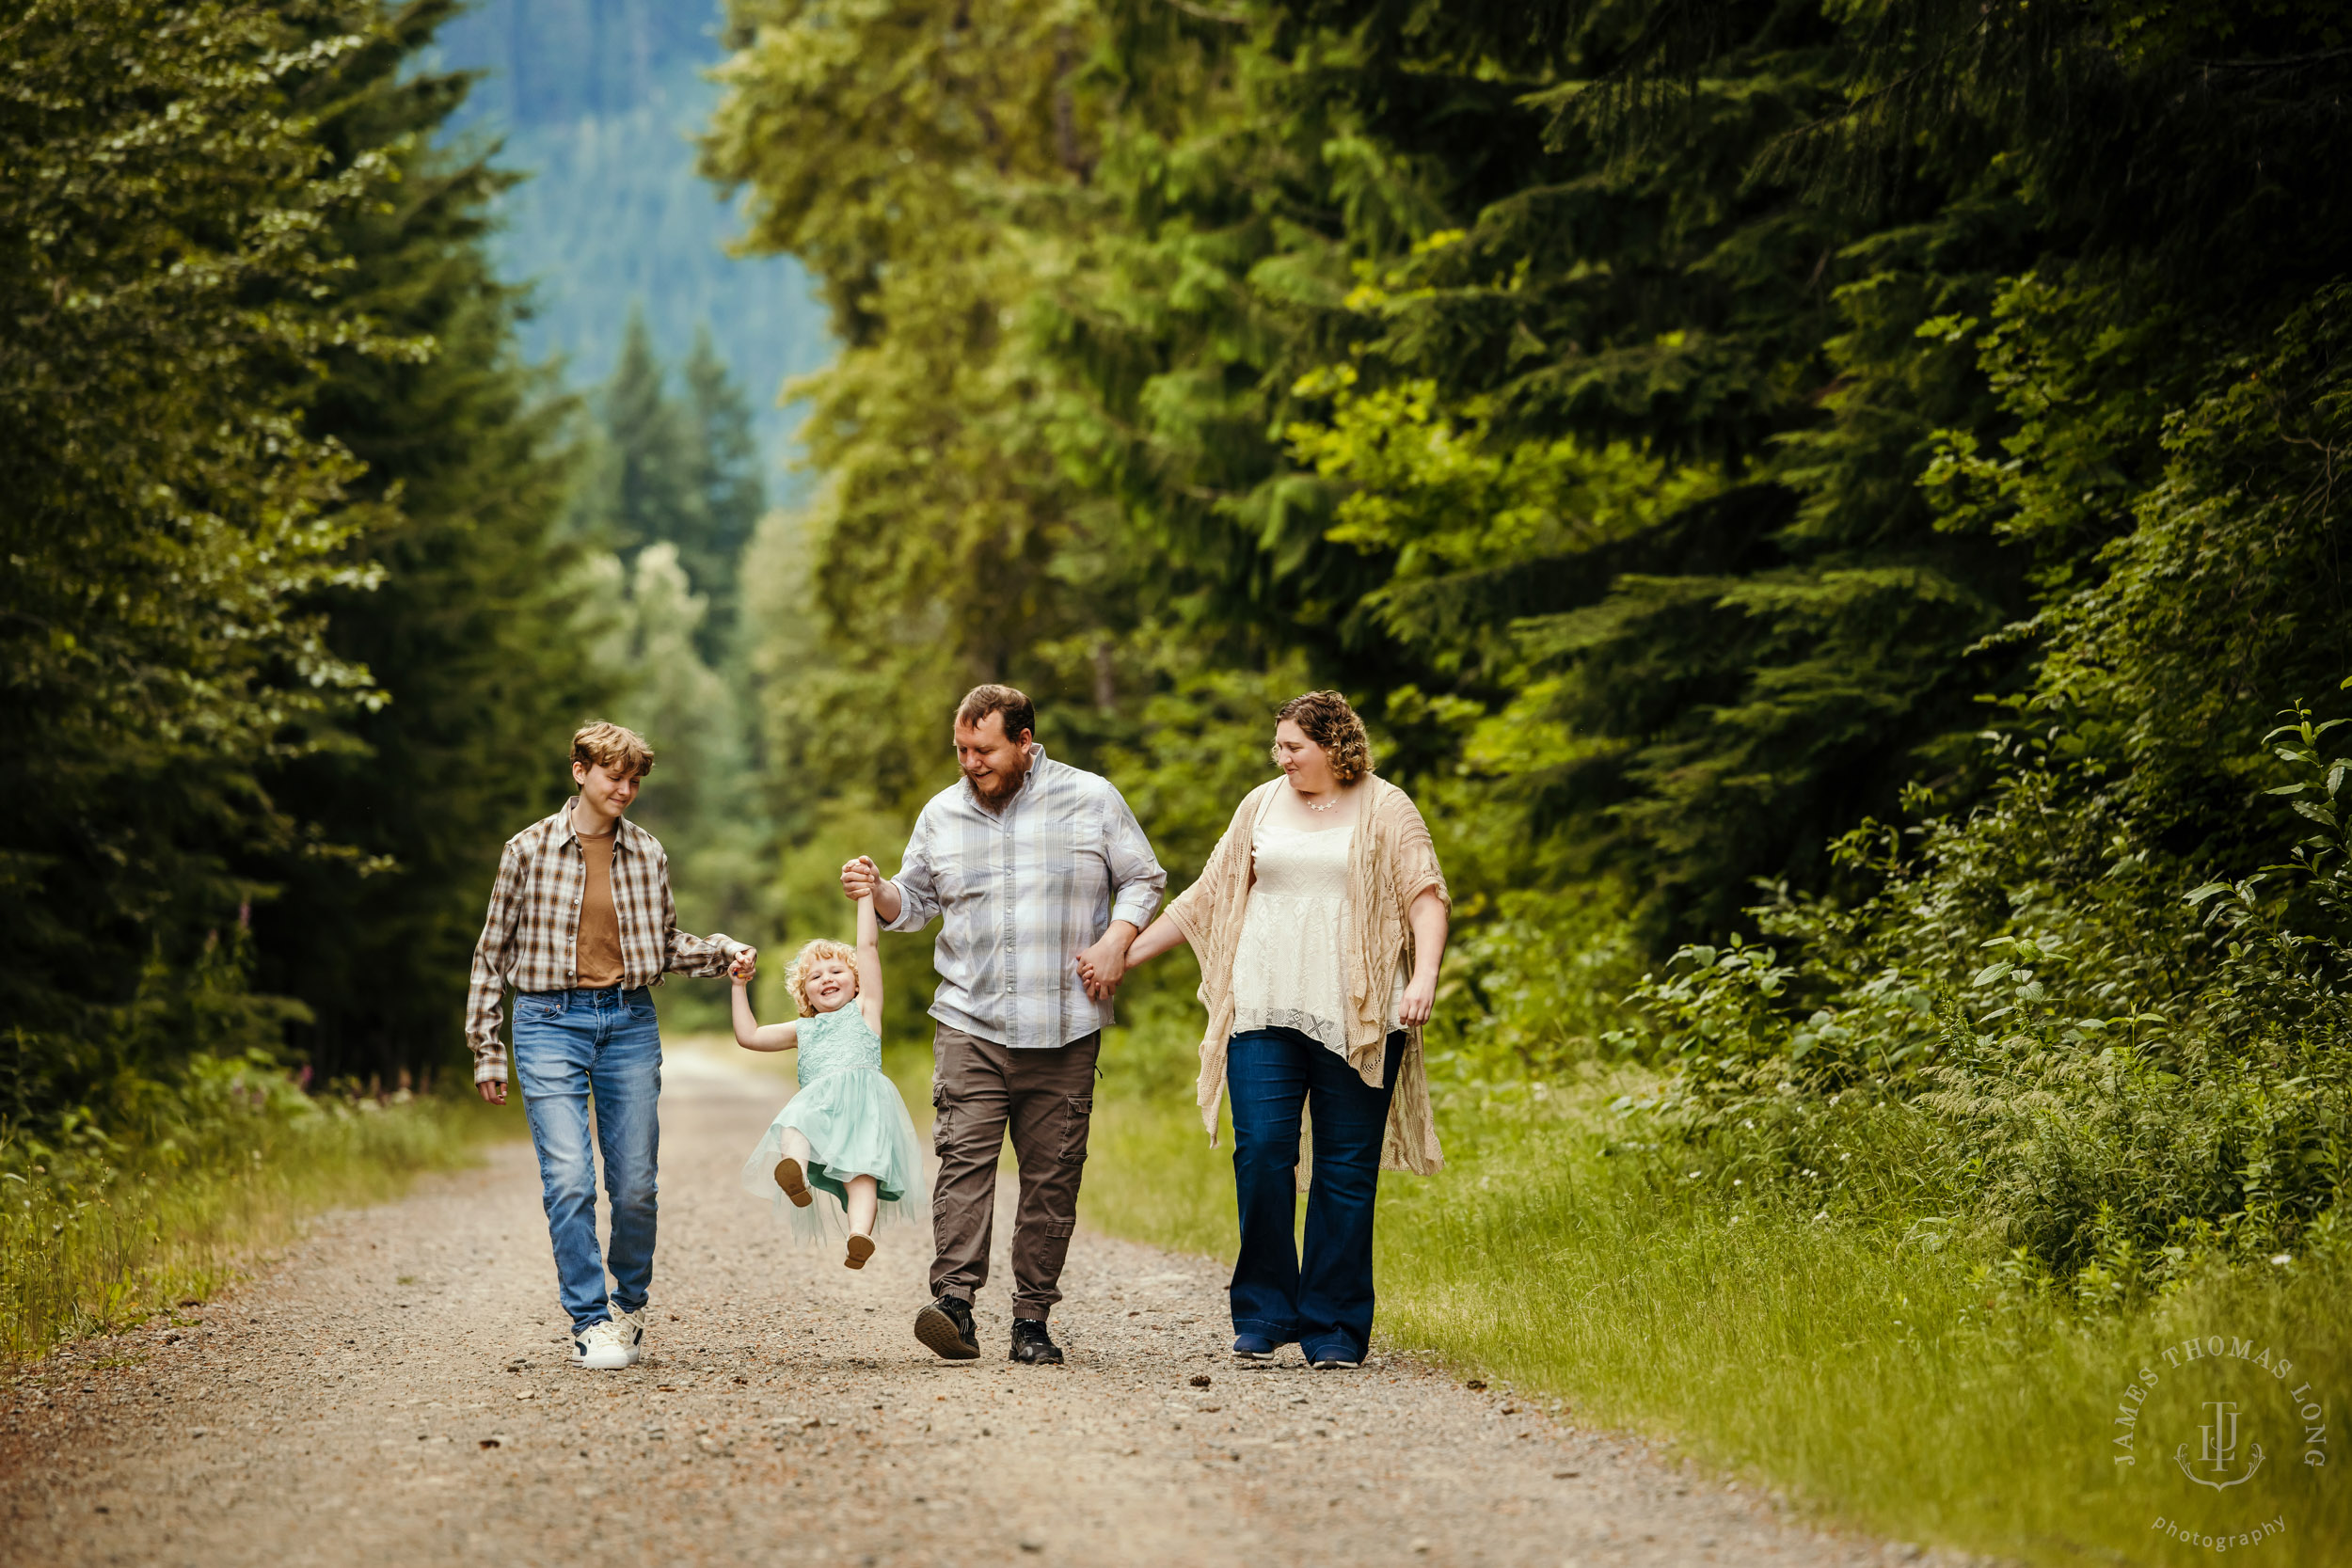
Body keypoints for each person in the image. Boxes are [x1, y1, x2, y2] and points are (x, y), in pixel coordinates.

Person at [1119, 690, 1450, 1370]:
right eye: (1279, 746)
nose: (1282, 757)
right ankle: (1265, 1312)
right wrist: (1123, 954)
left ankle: (1333, 1326)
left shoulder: (1388, 807)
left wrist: (1424, 978)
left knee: (1344, 1172)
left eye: (1293, 746)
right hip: (1264, 1006)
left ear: (1334, 745)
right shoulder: (1261, 804)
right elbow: (1206, 895)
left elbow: (1425, 896)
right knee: (1264, 1152)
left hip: (1357, 1017)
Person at [841, 683, 1167, 1365]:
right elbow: (916, 901)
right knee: (964, 1160)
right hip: (971, 1020)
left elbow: (1143, 877)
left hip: (1066, 1022)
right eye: (960, 749)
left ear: (1024, 741)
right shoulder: (942, 813)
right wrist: (879, 893)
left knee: (1053, 1175)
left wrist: (1117, 940)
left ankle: (1031, 1319)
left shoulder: (1092, 798)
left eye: (982, 749)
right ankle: (954, 1303)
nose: (970, 762)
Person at [466, 721, 751, 1370]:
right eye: (613, 776)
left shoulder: (648, 852)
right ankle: (591, 1321)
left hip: (628, 1020)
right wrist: (487, 1046)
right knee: (568, 1179)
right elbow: (491, 953)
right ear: (579, 771)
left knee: (635, 1186)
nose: (624, 789)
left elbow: (665, 942)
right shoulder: (527, 850)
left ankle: (628, 1305)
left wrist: (723, 952)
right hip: (547, 1021)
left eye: (633, 780)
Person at [730, 889, 927, 1270]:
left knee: (863, 1176)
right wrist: (739, 987)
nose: (827, 979)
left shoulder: (866, 1010)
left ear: (856, 980)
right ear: (805, 993)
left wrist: (866, 897)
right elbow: (749, 1036)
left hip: (865, 1108)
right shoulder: (803, 1028)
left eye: (837, 971)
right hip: (820, 1108)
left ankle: (859, 1236)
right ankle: (796, 1175)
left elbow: (867, 946)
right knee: (794, 1123)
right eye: (815, 977)